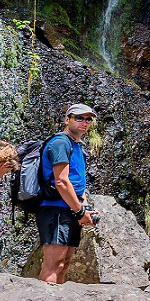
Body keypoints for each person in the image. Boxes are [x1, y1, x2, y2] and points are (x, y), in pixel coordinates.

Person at [38, 104, 99, 284]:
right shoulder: (60, 143)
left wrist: (85, 209)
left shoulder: (76, 146)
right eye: (79, 118)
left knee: (64, 264)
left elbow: (78, 183)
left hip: (71, 210)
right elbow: (61, 181)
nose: (84, 122)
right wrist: (80, 211)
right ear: (67, 120)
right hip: (55, 209)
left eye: (88, 119)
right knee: (54, 265)